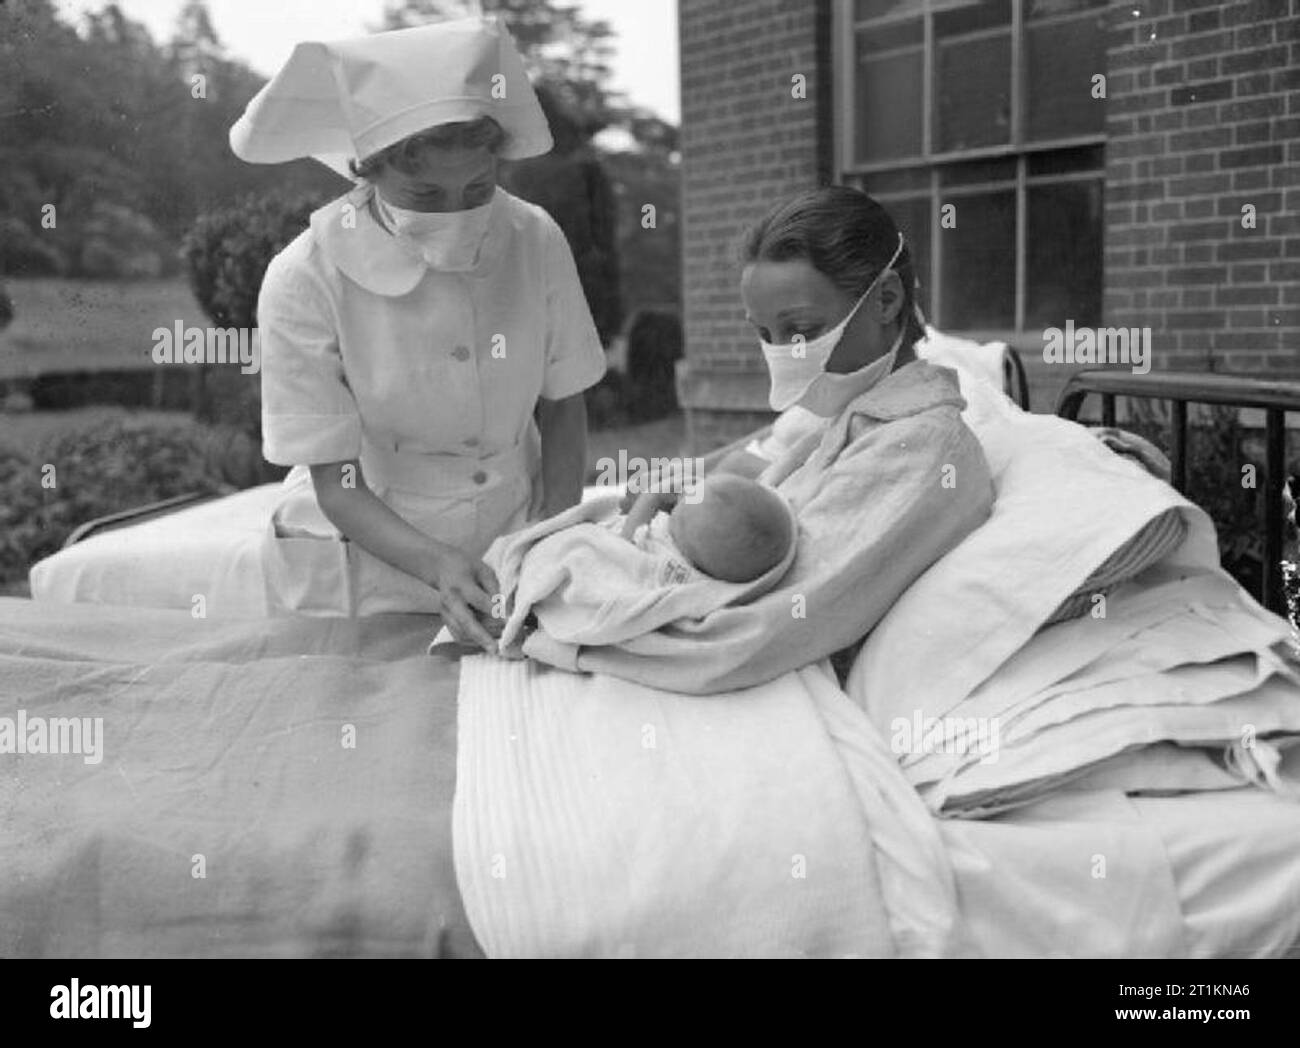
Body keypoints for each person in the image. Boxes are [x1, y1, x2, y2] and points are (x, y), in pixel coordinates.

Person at [229, 17, 606, 648]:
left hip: (516, 524)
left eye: (478, 188)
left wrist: (547, 535)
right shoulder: (303, 277)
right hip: (369, 549)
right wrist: (436, 565)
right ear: (365, 170)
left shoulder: (535, 237)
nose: (456, 212)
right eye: (425, 194)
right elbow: (335, 481)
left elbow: (565, 402)